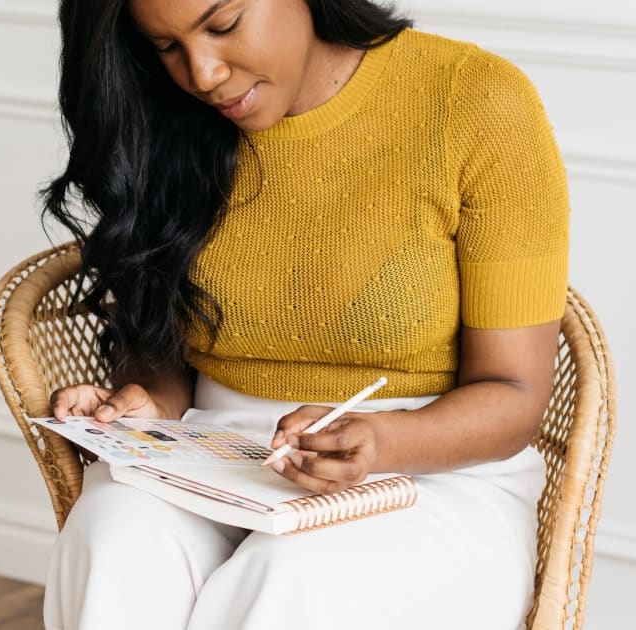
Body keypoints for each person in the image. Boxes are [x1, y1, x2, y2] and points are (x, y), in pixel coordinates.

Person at [40, 0, 569, 628]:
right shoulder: (166, 113)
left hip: (431, 470)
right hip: (214, 451)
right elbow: (161, 322)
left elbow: (513, 394)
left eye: (224, 24)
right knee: (112, 541)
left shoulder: (474, 102)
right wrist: (147, 403)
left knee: (293, 578)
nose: (202, 74)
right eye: (165, 46)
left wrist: (379, 441)